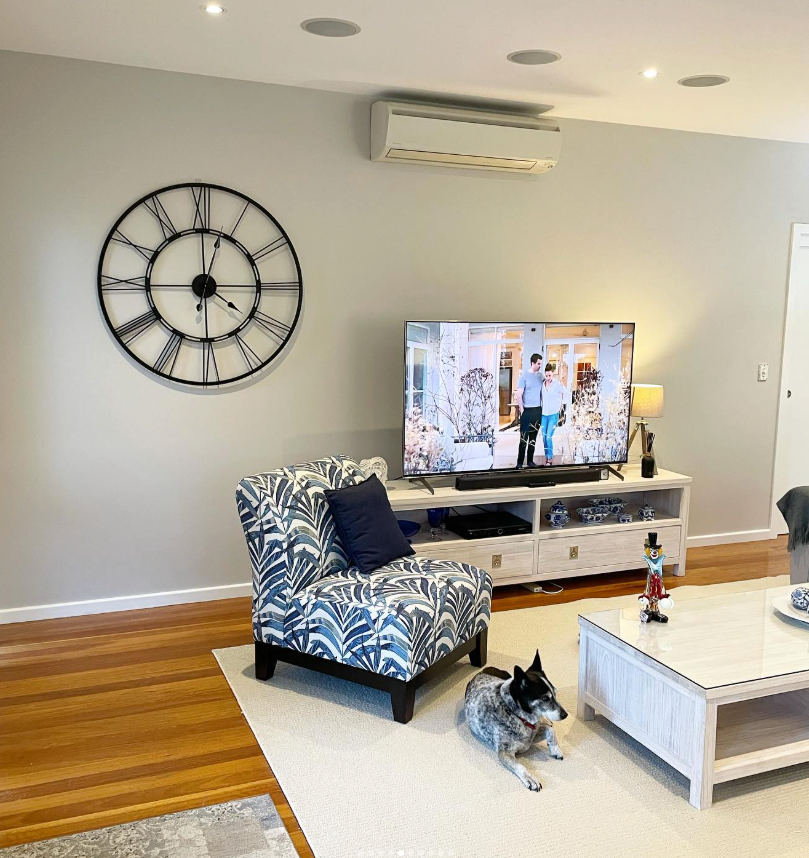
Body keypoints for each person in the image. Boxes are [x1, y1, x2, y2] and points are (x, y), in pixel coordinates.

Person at [515, 353, 543, 468]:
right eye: (538, 363)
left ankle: (530, 461)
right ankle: (520, 463)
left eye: (540, 363)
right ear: (532, 363)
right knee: (523, 438)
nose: (540, 365)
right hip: (527, 411)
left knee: (533, 438)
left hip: (537, 410)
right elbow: (519, 395)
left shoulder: (540, 376)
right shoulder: (524, 377)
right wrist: (522, 410)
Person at [540, 364, 567, 466]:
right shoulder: (542, 384)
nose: (548, 378)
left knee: (548, 437)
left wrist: (560, 404)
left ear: (553, 374)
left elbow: (566, 393)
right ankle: (547, 455)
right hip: (543, 415)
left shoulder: (557, 384)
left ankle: (549, 459)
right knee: (543, 437)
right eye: (546, 376)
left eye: (550, 376)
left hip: (553, 415)